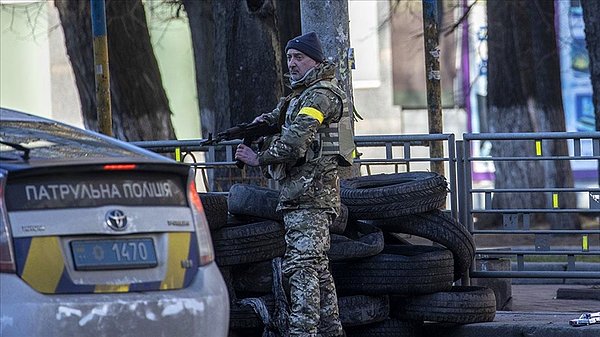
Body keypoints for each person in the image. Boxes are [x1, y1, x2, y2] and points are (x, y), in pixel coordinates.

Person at [235, 31, 353, 337]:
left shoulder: (320, 95)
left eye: (298, 57)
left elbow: (294, 143)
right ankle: (330, 331)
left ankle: (303, 332)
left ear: (315, 60)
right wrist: (261, 126)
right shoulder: (298, 96)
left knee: (301, 269)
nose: (291, 63)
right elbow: (277, 119)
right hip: (301, 194)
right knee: (317, 270)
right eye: (289, 57)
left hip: (311, 195)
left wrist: (257, 157)